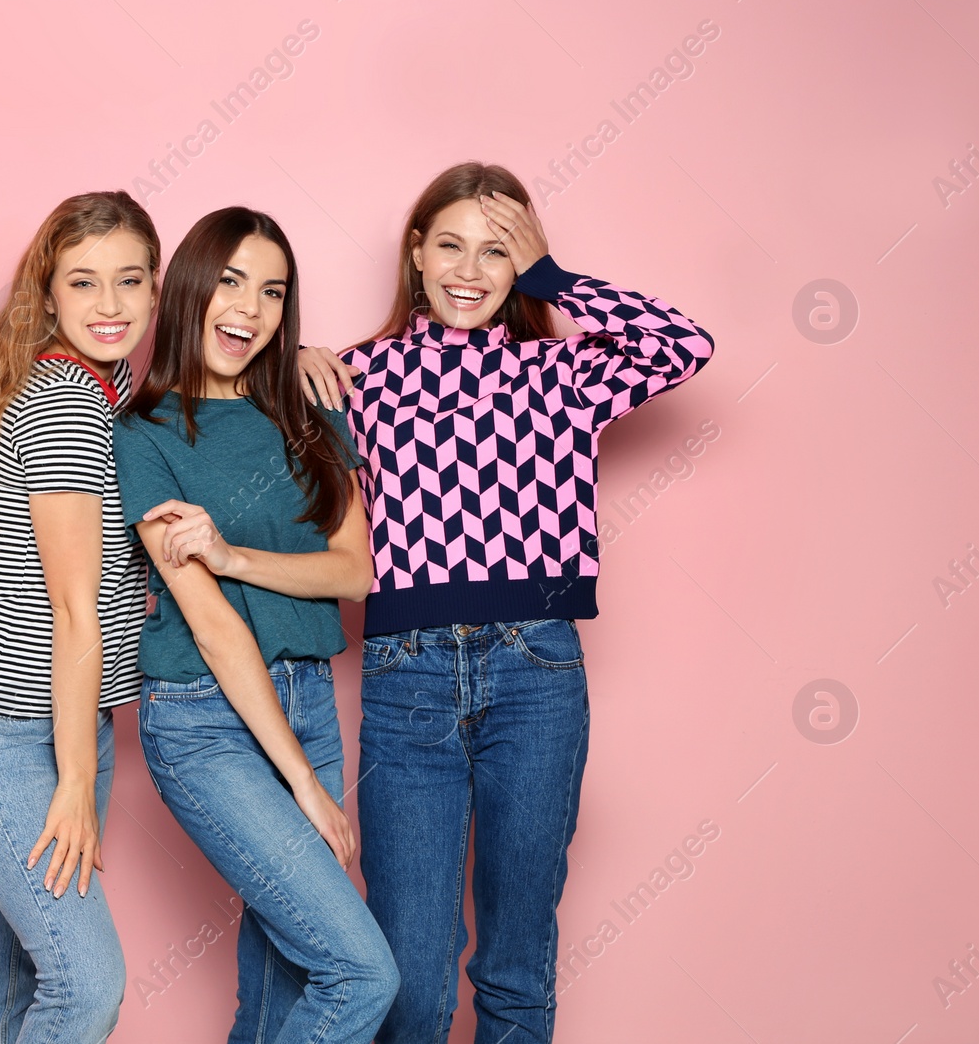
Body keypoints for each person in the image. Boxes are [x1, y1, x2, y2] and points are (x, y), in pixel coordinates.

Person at [300, 162, 715, 1043]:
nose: (469, 269)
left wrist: (554, 279)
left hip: (537, 672)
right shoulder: (357, 376)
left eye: (497, 252)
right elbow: (237, 398)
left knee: (516, 965)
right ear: (416, 255)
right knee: (411, 978)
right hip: (406, 681)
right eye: (450, 243)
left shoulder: (565, 374)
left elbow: (685, 345)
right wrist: (293, 358)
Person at [111, 205, 399, 1043]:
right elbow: (212, 627)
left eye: (273, 291)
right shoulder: (142, 434)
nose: (250, 308)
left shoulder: (308, 411)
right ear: (191, 287)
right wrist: (306, 782)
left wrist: (232, 556)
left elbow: (356, 569)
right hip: (204, 718)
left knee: (283, 983)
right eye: (232, 281)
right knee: (360, 971)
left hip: (308, 698)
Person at [0, 190, 158, 1043]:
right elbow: (74, 612)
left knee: (25, 981)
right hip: (5, 732)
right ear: (48, 294)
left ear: (158, 290)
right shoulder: (67, 400)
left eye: (131, 281)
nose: (111, 305)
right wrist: (79, 786)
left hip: (57, 718)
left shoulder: (104, 383)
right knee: (85, 985)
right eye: (84, 283)